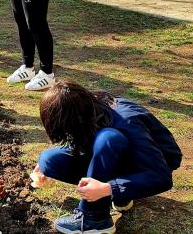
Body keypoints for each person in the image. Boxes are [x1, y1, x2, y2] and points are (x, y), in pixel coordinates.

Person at [34, 81, 182, 233]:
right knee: (48, 160)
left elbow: (161, 177)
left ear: (74, 118)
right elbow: (82, 135)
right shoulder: (86, 108)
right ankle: (122, 195)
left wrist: (108, 188)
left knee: (109, 139)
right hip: (119, 154)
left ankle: (94, 218)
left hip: (154, 164)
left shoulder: (127, 122)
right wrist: (42, 167)